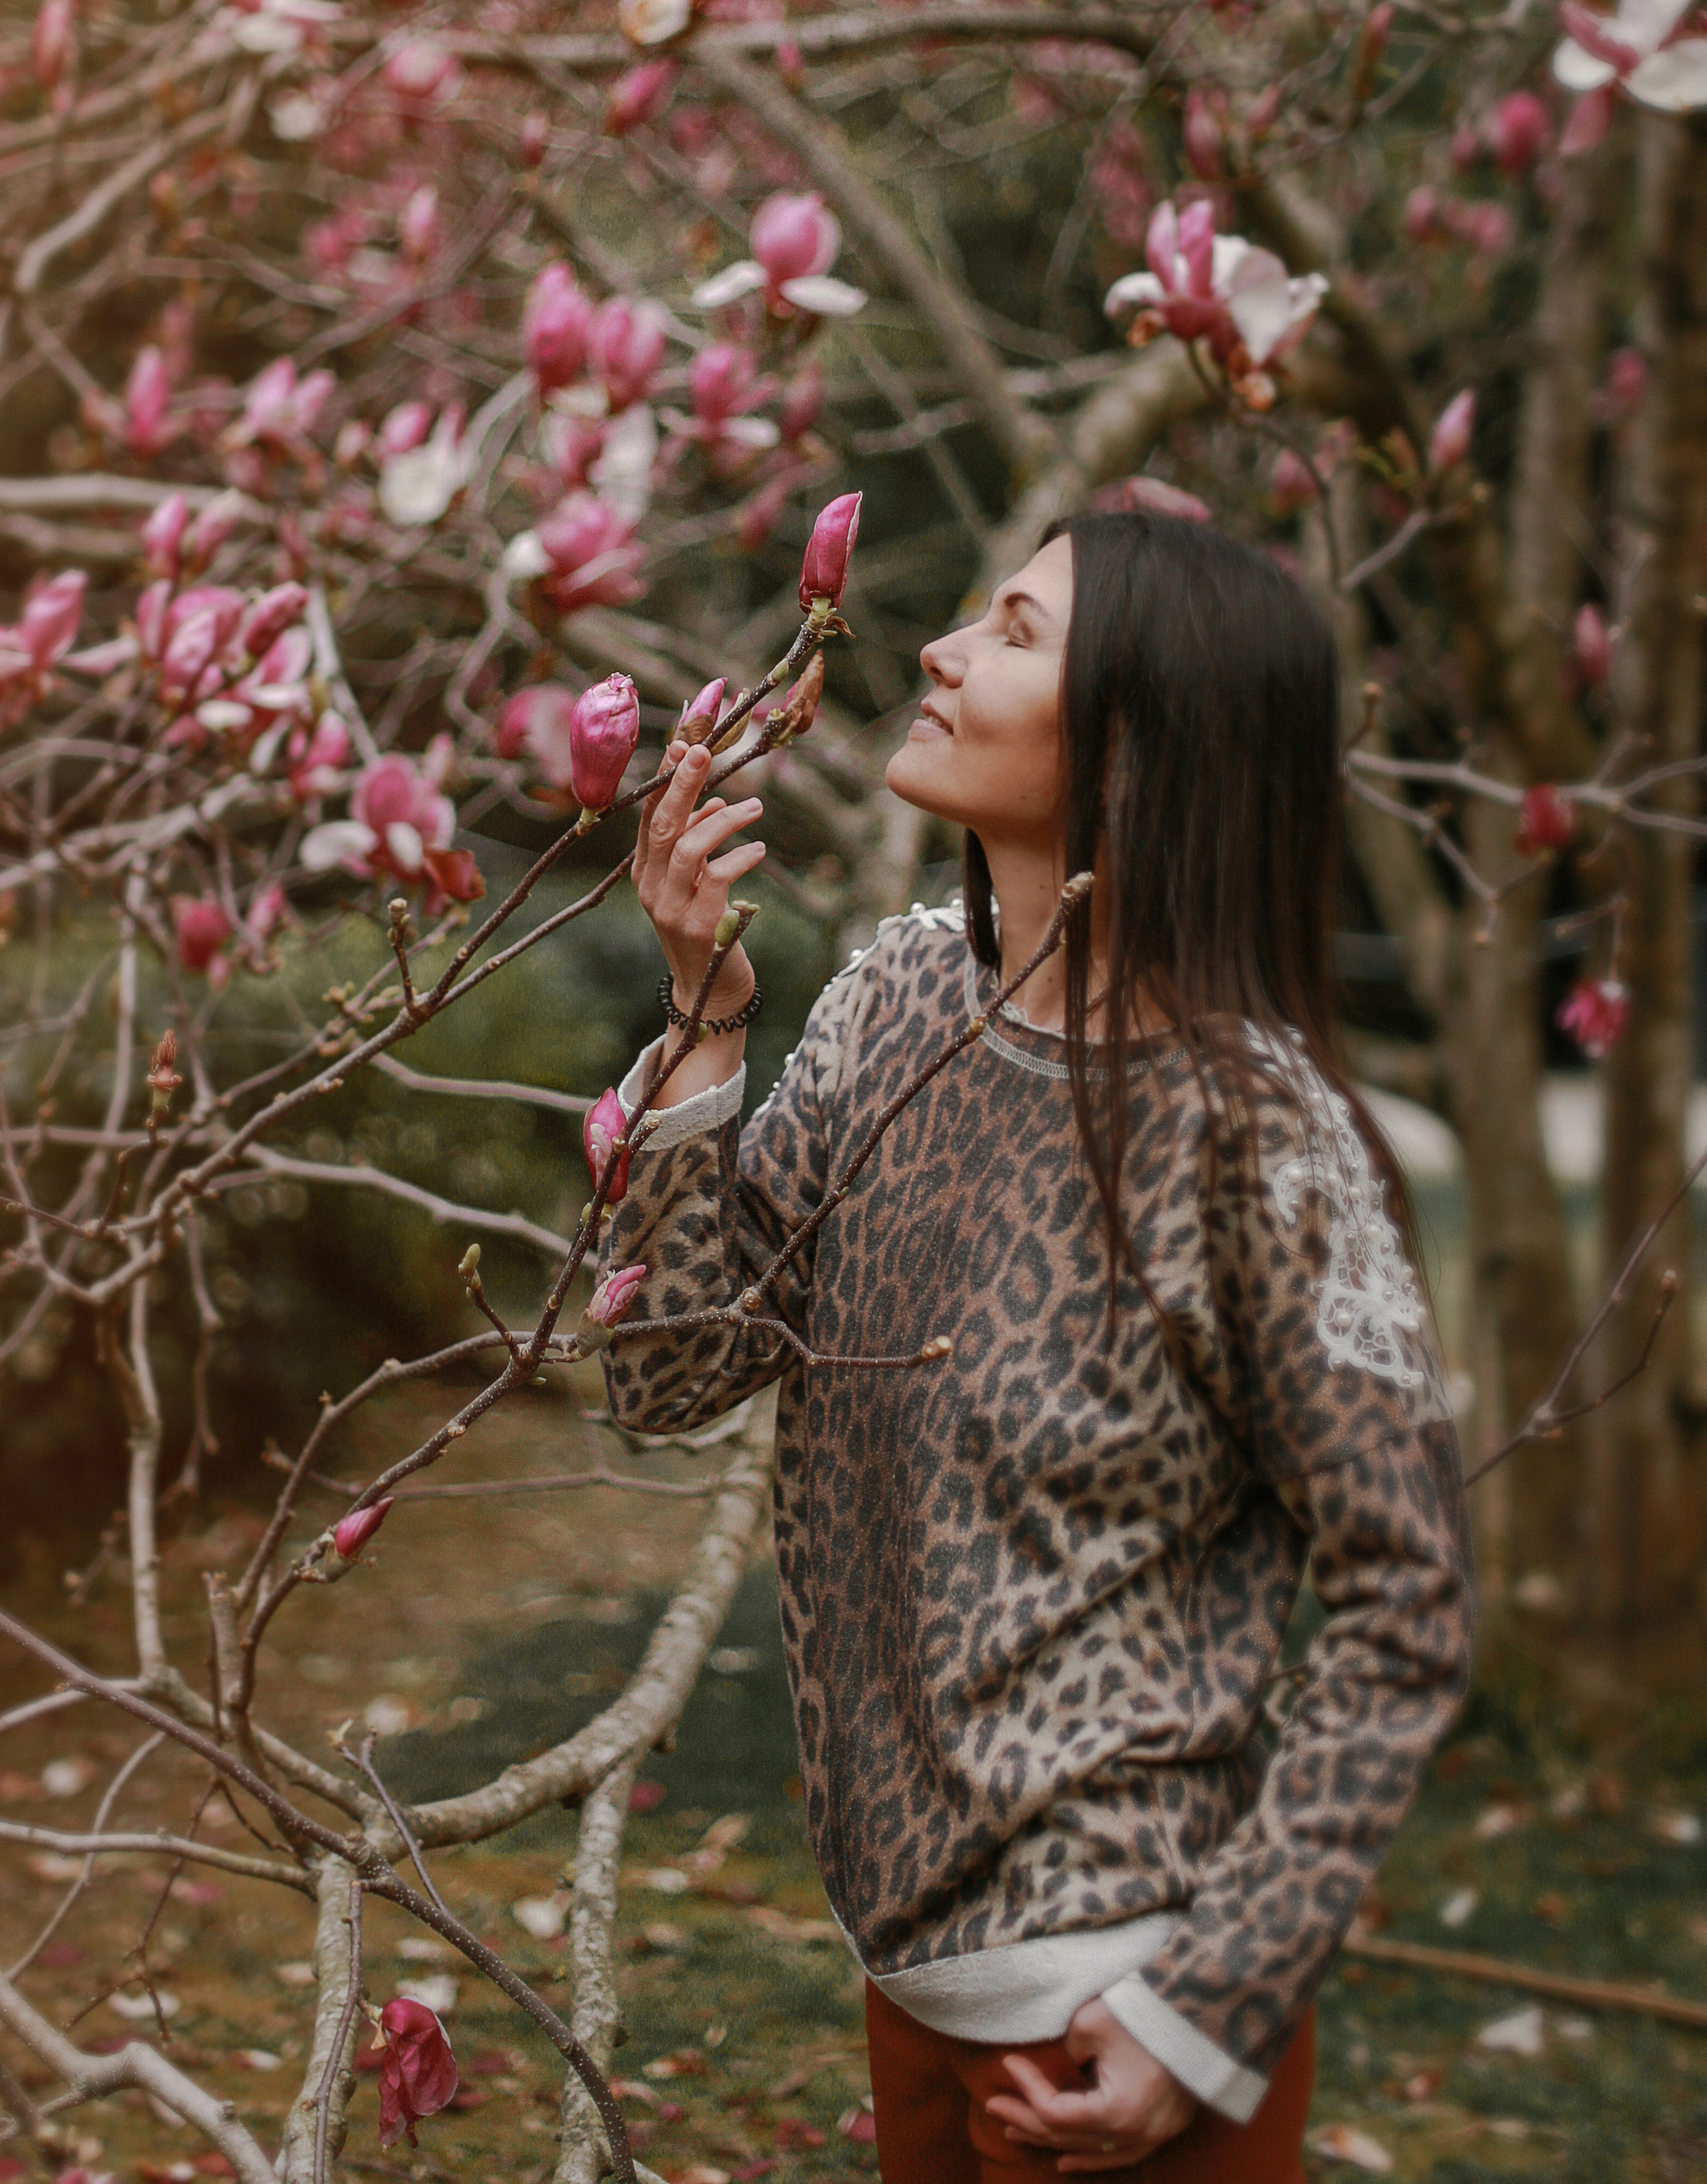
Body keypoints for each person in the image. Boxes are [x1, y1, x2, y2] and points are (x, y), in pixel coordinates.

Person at [599, 509, 1474, 2180]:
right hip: (907, 1966)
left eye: (1010, 631)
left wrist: (1205, 2010)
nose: (935, 648)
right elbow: (666, 1373)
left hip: (1111, 2009)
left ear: (1138, 742)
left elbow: (1403, 1602)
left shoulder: (1257, 1141)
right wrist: (704, 1012)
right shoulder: (898, 1005)